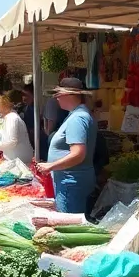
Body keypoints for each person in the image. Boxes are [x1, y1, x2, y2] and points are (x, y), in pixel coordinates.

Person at [38, 79, 98, 215]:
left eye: (58, 94)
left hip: (71, 182)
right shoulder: (77, 114)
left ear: (69, 95)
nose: (56, 98)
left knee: (69, 223)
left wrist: (51, 166)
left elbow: (78, 153)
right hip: (71, 181)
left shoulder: (78, 118)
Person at [0, 94, 33, 165]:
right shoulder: (8, 118)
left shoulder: (12, 118)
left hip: (19, 160)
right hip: (14, 159)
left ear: (4, 105)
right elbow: (5, 140)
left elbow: (12, 142)